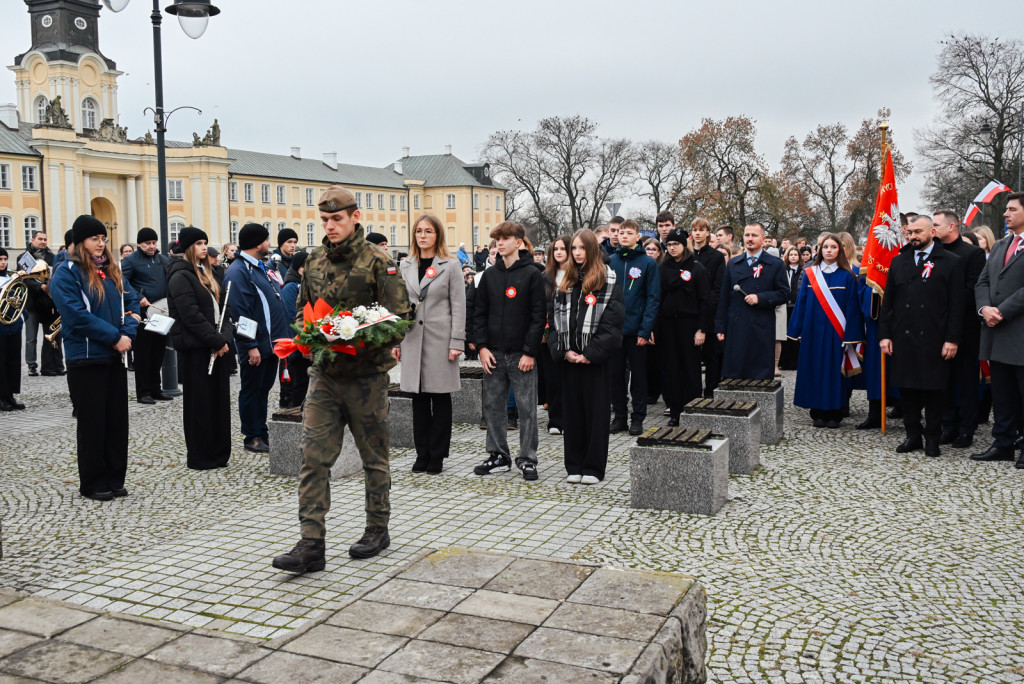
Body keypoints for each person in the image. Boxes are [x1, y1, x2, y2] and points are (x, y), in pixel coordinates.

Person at [272, 186, 411, 572]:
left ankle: (377, 528)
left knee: (374, 458)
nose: (330, 226)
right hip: (325, 376)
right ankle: (311, 544)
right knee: (313, 458)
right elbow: (301, 310)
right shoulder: (313, 262)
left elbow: (399, 317)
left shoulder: (378, 262)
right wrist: (310, 333)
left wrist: (358, 334)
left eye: (337, 219)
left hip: (366, 378)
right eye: (325, 220)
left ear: (354, 218)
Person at [50, 215, 139, 501]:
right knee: (93, 423)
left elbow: (132, 301)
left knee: (116, 422)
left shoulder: (111, 271)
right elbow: (76, 316)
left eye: (103, 239)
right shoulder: (67, 273)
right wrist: (115, 337)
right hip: (86, 358)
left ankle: (115, 477)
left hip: (113, 357)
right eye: (94, 239)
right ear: (79, 243)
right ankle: (93, 482)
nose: (101, 244)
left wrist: (129, 330)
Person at [879, 215, 965, 457]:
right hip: (904, 337)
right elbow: (889, 303)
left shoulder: (951, 262)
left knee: (934, 390)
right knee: (907, 390)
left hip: (936, 338)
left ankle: (933, 438)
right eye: (910, 232)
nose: (913, 236)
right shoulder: (899, 261)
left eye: (919, 231)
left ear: (932, 233)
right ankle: (913, 435)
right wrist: (884, 335)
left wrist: (952, 339)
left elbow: (957, 306)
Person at [471, 221, 546, 481]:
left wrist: (530, 351)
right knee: (492, 406)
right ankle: (498, 455)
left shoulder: (533, 274)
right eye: (497, 239)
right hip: (493, 353)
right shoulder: (489, 275)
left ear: (519, 242)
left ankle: (527, 458)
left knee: (526, 409)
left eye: (505, 238)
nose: (500, 243)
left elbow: (539, 316)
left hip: (521, 355)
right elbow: (479, 314)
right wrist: (481, 347)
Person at [549, 230, 624, 483]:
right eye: (574, 249)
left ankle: (593, 467)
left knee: (595, 414)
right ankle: (574, 465)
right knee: (573, 414)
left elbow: (612, 325)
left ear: (592, 250)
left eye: (582, 249)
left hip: (594, 361)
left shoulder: (608, 279)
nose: (577, 253)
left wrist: (589, 354)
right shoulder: (565, 280)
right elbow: (554, 321)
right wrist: (563, 351)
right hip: (570, 358)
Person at [396, 214, 465, 474]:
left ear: (438, 235)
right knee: (418, 399)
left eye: (428, 231)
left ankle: (437, 455)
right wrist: (397, 340)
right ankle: (421, 453)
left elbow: (459, 305)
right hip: (413, 338)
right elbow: (400, 305)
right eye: (419, 231)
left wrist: (456, 340)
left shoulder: (451, 264)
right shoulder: (406, 265)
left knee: (441, 397)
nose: (423, 236)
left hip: (440, 339)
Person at [166, 227, 232, 470]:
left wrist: (224, 338)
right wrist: (216, 340)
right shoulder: (180, 275)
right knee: (200, 405)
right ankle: (201, 455)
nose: (204, 247)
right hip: (196, 349)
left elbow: (225, 309)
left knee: (219, 403)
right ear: (187, 247)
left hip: (216, 346)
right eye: (198, 244)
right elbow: (191, 315)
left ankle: (219, 452)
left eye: (205, 242)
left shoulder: (209, 273)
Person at [224, 223, 291, 454]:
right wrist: (249, 345)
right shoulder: (239, 271)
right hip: (255, 345)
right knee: (252, 390)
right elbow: (239, 312)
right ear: (257, 243)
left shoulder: (259, 267)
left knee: (263, 390)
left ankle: (261, 431)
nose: (269, 243)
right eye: (266, 239)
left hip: (270, 344)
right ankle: (251, 436)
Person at [787, 234, 863, 428]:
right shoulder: (811, 273)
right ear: (820, 250)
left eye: (833, 247)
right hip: (812, 332)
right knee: (814, 369)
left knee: (834, 372)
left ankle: (835, 412)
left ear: (840, 250)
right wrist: (795, 329)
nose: (829, 250)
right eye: (825, 247)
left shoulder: (848, 276)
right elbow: (801, 303)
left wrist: (851, 335)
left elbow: (853, 308)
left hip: (836, 333)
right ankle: (817, 412)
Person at [972, 193, 1024, 466]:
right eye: (1005, 210)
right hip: (997, 334)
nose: (1006, 214)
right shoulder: (1002, 245)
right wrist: (985, 309)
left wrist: (1001, 310)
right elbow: (982, 283)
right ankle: (1002, 443)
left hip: (1020, 333)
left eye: (1012, 209)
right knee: (1002, 394)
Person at [934, 210, 987, 448]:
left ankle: (966, 428)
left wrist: (942, 301)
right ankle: (948, 424)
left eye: (936, 224)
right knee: (943, 379)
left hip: (965, 328)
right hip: (936, 327)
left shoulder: (973, 254)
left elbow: (972, 289)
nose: (932, 228)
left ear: (952, 226)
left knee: (966, 380)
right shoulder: (933, 252)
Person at [716, 223, 790, 380]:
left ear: (763, 239)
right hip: (737, 325)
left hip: (761, 326)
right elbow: (724, 298)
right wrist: (720, 326)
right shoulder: (733, 264)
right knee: (735, 373)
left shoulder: (775, 264)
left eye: (754, 235)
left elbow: (784, 294)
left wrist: (760, 298)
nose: (750, 239)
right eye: (747, 235)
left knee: (759, 374)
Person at [609, 219, 661, 436]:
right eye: (621, 232)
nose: (624, 236)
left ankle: (637, 417)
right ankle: (619, 416)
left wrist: (645, 329)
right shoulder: (611, 261)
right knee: (615, 376)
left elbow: (653, 298)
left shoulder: (647, 263)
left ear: (637, 236)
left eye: (629, 233)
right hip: (614, 330)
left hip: (637, 329)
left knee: (638, 377)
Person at [657, 227, 712, 426]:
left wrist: (701, 329)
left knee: (691, 368)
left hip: (690, 324)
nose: (672, 248)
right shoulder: (663, 268)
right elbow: (658, 298)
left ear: (684, 245)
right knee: (671, 368)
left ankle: (693, 407)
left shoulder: (696, 268)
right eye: (669, 245)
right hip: (668, 324)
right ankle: (675, 409)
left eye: (676, 244)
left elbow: (705, 301)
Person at [120, 228, 172, 405]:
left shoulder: (162, 259)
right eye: (147, 243)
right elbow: (122, 282)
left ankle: (156, 389)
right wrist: (138, 296)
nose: (151, 246)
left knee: (158, 352)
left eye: (154, 243)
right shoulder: (130, 260)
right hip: (142, 315)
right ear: (139, 244)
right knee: (143, 354)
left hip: (161, 312)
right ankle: (143, 392)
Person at [539, 235, 572, 435]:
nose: (559, 252)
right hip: (550, 333)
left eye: (563, 248)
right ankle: (555, 420)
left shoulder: (577, 275)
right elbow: (540, 305)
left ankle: (570, 418)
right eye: (556, 249)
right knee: (552, 379)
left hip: (572, 333)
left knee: (570, 379)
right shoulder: (546, 277)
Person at [21, 230, 64, 377]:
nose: (43, 241)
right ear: (33, 240)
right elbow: (26, 280)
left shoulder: (52, 257)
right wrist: (41, 287)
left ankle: (54, 364)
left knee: (51, 334)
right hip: (31, 303)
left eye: (45, 239)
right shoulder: (25, 257)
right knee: (31, 337)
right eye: (40, 239)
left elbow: (55, 277)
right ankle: (31, 365)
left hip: (47, 302)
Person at [691, 217, 725, 397]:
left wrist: (708, 307)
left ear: (707, 232)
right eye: (695, 230)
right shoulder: (687, 256)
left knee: (711, 356)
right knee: (692, 358)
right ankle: (694, 393)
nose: (698, 233)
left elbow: (717, 287)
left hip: (710, 312)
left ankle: (711, 392)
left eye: (701, 230)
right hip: (689, 312)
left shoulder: (717, 257)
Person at [279, 250, 310, 409]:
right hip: (295, 343)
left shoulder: (303, 284)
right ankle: (293, 409)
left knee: (304, 381)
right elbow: (293, 316)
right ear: (300, 267)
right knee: (297, 382)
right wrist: (302, 342)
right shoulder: (291, 286)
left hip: (303, 340)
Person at [0, 248, 26, 410]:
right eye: (0, 259)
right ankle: (1, 396)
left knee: (13, 361)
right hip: (0, 327)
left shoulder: (10, 278)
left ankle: (10, 394)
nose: (3, 262)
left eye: (4, 259)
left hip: (13, 325)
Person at [779, 246, 803, 370]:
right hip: (785, 305)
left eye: (795, 254)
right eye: (791, 254)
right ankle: (784, 361)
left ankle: (795, 361)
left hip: (796, 305)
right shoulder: (783, 269)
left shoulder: (802, 271)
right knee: (785, 334)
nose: (793, 257)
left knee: (795, 334)